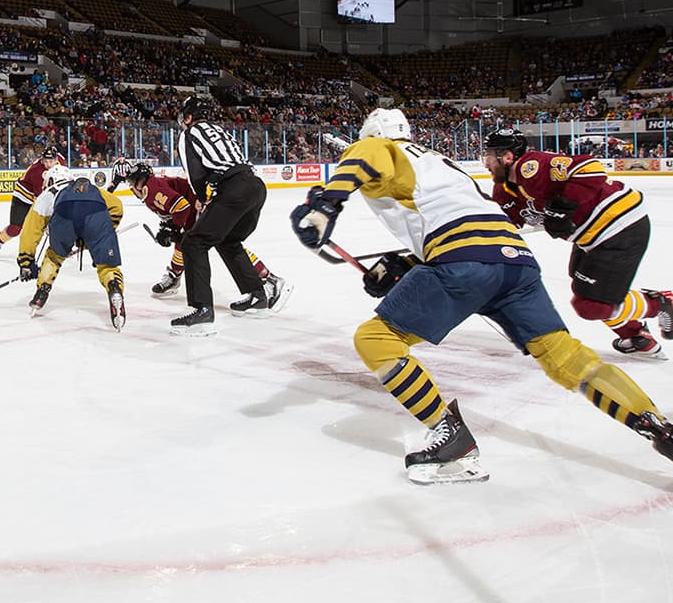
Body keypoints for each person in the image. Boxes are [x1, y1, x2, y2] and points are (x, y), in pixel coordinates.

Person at [290, 108, 673, 483]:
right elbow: (461, 219)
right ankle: (655, 425)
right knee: (565, 356)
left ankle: (450, 437)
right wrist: (406, 266)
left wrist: (325, 204)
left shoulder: (384, 149)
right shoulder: (441, 164)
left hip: (464, 259)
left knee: (375, 340)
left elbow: (368, 155)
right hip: (516, 262)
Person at [484, 129, 673, 357]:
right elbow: (504, 225)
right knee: (584, 291)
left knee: (590, 305)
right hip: (592, 236)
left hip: (618, 223)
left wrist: (563, 206)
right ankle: (635, 336)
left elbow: (590, 169)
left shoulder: (531, 166)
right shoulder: (503, 192)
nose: (486, 163)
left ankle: (662, 303)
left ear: (507, 157)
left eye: (489, 156)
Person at [117, 159, 291, 311]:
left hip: (199, 207)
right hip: (198, 207)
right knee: (199, 243)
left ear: (142, 180)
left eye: (135, 182)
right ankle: (175, 275)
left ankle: (268, 278)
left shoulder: (152, 188)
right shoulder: (151, 189)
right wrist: (169, 227)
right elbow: (172, 210)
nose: (133, 187)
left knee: (216, 243)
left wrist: (174, 228)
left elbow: (182, 207)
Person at [171, 96, 270, 333]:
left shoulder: (189, 133)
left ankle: (202, 309)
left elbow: (195, 174)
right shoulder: (219, 129)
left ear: (188, 116)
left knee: (193, 242)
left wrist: (202, 199)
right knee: (228, 240)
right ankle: (257, 296)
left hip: (233, 189)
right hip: (256, 187)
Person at [17, 163, 126, 330]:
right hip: (96, 215)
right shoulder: (90, 187)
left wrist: (26, 261)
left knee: (54, 256)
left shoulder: (47, 194)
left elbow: (30, 232)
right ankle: (114, 287)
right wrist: (103, 233)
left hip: (64, 217)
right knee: (107, 266)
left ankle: (42, 290)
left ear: (51, 180)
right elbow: (116, 206)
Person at [0, 144, 65, 256]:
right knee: (15, 229)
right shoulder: (37, 172)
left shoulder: (61, 161)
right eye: (46, 161)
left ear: (56, 159)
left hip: (40, 195)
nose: (48, 164)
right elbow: (41, 199)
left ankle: (61, 247)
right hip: (23, 197)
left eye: (51, 161)